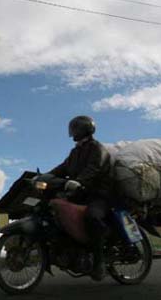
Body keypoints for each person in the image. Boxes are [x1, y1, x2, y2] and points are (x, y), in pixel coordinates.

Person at [50, 115, 112, 281]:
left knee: (92, 217)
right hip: (80, 194)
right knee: (57, 214)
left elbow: (94, 168)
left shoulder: (97, 148)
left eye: (75, 128)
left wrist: (78, 181)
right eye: (72, 128)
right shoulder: (75, 152)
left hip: (99, 195)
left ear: (86, 129)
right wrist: (43, 177)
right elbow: (62, 168)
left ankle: (100, 261)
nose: (73, 132)